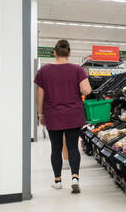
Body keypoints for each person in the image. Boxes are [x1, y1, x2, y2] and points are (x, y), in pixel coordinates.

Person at [34, 39, 92, 194]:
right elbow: (87, 90)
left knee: (56, 148)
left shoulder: (44, 71)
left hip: (52, 114)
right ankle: (75, 178)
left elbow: (39, 94)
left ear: (54, 52)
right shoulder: (77, 70)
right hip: (73, 114)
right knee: (73, 147)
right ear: (69, 53)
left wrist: (40, 114)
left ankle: (58, 181)